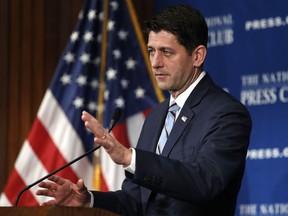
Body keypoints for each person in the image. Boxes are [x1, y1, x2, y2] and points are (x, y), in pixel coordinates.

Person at [36, 4, 252, 216]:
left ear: (197, 56)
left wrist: (129, 158)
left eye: (167, 52)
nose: (156, 63)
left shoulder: (227, 114)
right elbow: (135, 202)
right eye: (151, 51)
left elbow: (205, 182)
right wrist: (89, 200)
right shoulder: (157, 115)